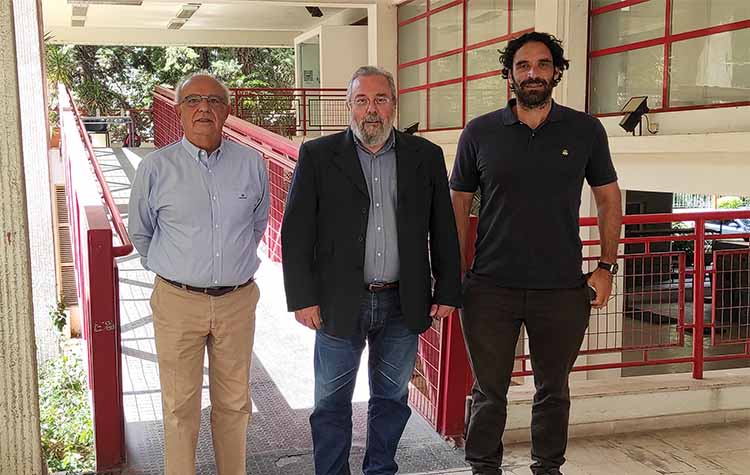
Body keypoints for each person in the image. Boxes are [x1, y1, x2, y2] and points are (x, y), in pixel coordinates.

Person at [450, 32, 623, 475]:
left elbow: (608, 198)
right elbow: (459, 203)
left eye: (543, 64)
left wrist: (605, 266)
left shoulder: (585, 130)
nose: (533, 73)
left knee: (553, 391)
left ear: (556, 72)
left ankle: (548, 468)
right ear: (508, 74)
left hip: (562, 289)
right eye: (523, 65)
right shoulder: (479, 132)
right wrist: (455, 272)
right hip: (489, 289)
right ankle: (483, 468)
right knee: (488, 392)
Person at [281, 66, 462, 475]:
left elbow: (443, 227)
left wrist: (449, 289)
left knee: (392, 399)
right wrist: (303, 298)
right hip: (338, 301)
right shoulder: (319, 155)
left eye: (380, 99)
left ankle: (380, 470)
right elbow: (296, 232)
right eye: (362, 100)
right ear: (349, 106)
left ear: (394, 105)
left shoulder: (425, 156)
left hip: (403, 301)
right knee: (330, 403)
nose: (371, 110)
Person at [128, 72, 269, 475]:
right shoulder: (156, 167)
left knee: (235, 403)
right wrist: (181, 270)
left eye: (213, 100)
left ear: (227, 110)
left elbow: (257, 225)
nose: (203, 108)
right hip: (177, 301)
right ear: (179, 110)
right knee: (178, 407)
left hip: (237, 301)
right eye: (193, 100)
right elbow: (141, 232)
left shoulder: (251, 163)